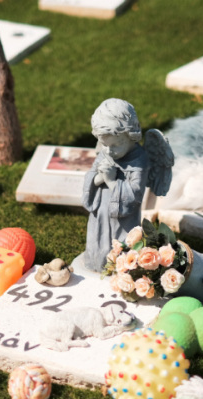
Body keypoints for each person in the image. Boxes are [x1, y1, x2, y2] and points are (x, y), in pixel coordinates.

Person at [82, 99, 151, 272]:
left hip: (123, 221)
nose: (108, 150)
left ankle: (123, 269)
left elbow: (135, 195)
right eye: (104, 144)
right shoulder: (106, 152)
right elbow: (91, 178)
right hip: (100, 215)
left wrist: (112, 182)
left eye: (115, 145)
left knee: (122, 247)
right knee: (99, 243)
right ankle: (97, 262)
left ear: (131, 136)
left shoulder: (139, 159)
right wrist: (100, 178)